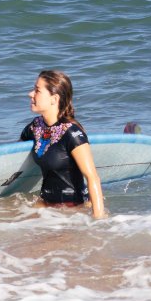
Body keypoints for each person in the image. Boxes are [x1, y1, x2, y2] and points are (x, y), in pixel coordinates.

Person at [20, 70, 106, 219]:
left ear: (54, 98)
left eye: (37, 90)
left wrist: (99, 221)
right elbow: (13, 156)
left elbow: (92, 177)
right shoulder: (35, 127)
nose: (30, 94)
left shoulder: (72, 134)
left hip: (72, 209)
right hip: (45, 204)